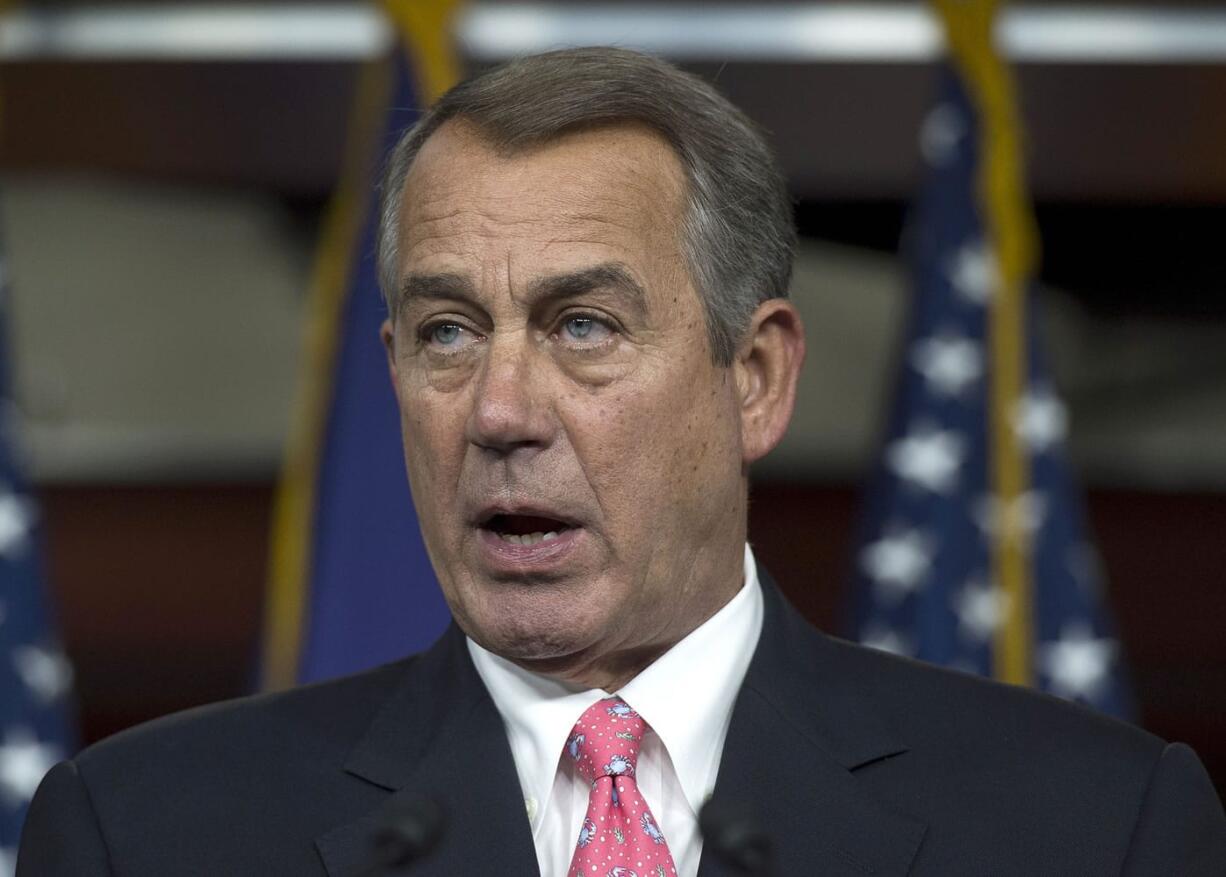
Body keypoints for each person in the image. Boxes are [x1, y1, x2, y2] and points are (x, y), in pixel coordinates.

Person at [18, 47, 1225, 876]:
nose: (497, 409)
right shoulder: (152, 834)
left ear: (753, 378)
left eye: (581, 326)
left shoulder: (1087, 828)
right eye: (446, 333)